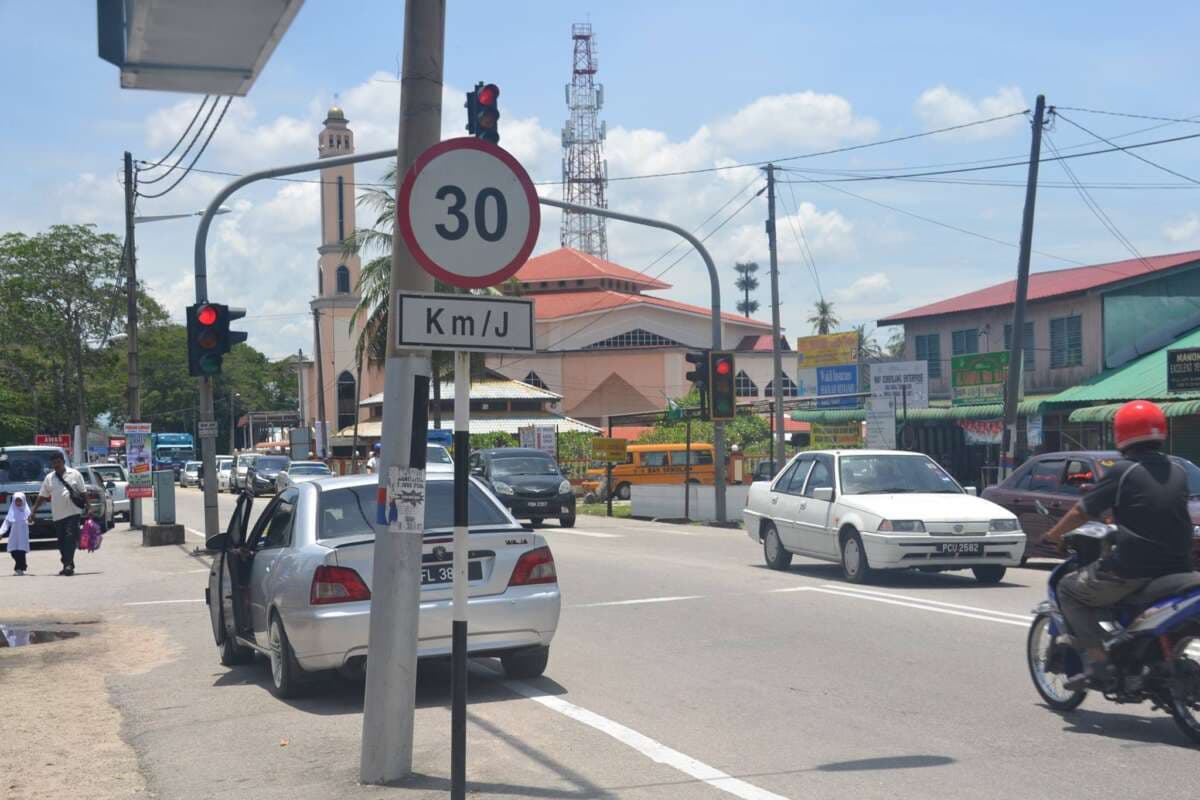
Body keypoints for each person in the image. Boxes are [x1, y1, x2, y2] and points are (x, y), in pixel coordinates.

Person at [1044, 400, 1195, 687]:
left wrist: (1052, 535)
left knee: (1068, 590)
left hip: (1133, 568)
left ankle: (1098, 662)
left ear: (1122, 433)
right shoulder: (1178, 470)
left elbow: (1081, 511)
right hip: (1178, 567)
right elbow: (1154, 507)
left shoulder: (1121, 470)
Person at [29, 451, 88, 576]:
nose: (56, 465)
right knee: (61, 542)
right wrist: (33, 511)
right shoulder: (49, 478)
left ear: (63, 462)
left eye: (58, 462)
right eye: (54, 463)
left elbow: (83, 491)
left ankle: (67, 565)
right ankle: (68, 563)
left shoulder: (75, 474)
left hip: (73, 512)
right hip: (58, 514)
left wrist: (89, 506)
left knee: (70, 537)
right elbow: (42, 496)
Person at [1, 491, 32, 575]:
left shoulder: (27, 511)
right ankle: (23, 566)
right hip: (14, 536)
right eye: (16, 501)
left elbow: (31, 522)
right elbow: (6, 523)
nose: (18, 503)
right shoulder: (12, 512)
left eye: (20, 500)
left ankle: (19, 568)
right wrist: (1, 533)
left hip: (23, 536)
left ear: (23, 501)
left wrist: (30, 520)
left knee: (21, 552)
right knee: (13, 552)